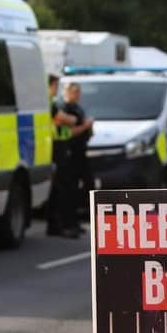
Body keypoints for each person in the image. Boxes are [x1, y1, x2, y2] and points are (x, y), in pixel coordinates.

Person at [47, 74, 84, 238]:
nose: (57, 89)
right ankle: (58, 225)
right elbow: (66, 120)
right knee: (60, 189)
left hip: (58, 147)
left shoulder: (51, 103)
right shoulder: (50, 103)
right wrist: (72, 120)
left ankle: (60, 225)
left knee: (62, 188)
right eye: (56, 86)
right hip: (55, 148)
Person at [62, 82, 94, 225]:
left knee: (88, 184)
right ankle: (71, 220)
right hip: (71, 153)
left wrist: (90, 128)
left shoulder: (78, 109)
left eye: (78, 92)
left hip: (81, 150)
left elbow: (85, 131)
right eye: (74, 92)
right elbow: (69, 132)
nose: (77, 95)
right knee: (71, 188)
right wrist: (85, 126)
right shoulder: (65, 109)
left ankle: (81, 217)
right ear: (67, 92)